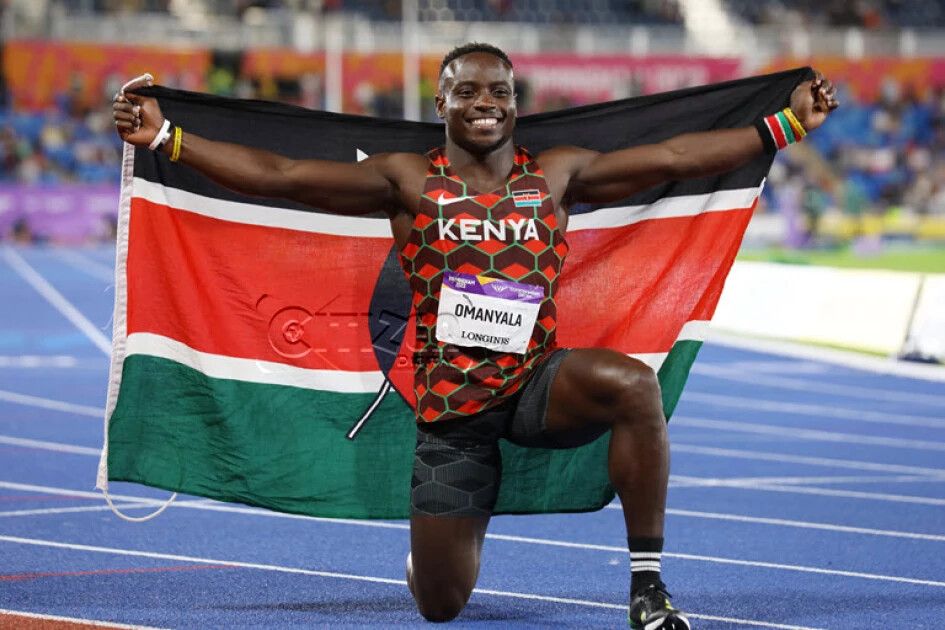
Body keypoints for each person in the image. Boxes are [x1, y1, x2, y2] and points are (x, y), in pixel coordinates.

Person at [113, 42, 837, 629]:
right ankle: (435, 550)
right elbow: (282, 175)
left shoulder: (555, 175)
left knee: (631, 384)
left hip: (537, 383)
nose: (484, 103)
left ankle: (647, 587)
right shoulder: (407, 179)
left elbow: (675, 160)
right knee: (441, 605)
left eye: (498, 91)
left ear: (516, 103)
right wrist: (168, 138)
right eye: (467, 91)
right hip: (452, 411)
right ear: (442, 104)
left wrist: (785, 124)